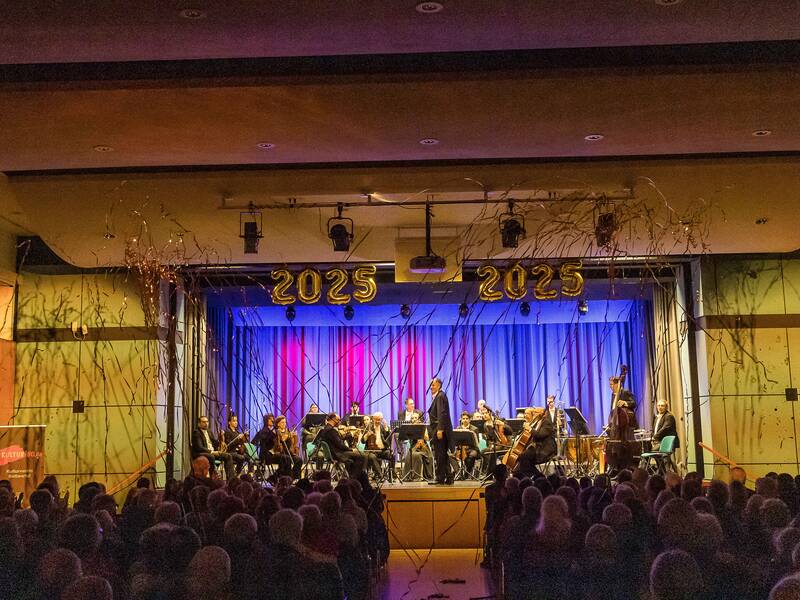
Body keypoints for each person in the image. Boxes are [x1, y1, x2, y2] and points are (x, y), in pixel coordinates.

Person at [514, 407, 556, 478]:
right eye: (534, 412)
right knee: (522, 456)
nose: (535, 414)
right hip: (537, 447)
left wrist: (530, 428)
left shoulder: (547, 422)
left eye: (537, 412)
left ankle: (537, 476)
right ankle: (528, 476)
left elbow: (540, 435)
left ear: (544, 414)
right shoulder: (537, 422)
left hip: (545, 449)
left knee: (524, 457)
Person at [190, 415, 235, 480]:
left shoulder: (209, 431)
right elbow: (199, 447)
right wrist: (212, 452)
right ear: (199, 423)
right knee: (211, 456)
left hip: (212, 452)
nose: (206, 424)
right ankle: (213, 476)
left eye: (207, 422)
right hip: (200, 453)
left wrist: (221, 439)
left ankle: (231, 479)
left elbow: (215, 443)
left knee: (228, 456)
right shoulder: (196, 433)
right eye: (204, 422)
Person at [427, 377, 454, 485]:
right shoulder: (439, 396)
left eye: (433, 385)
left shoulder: (440, 396)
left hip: (440, 430)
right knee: (442, 455)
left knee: (440, 455)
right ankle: (449, 477)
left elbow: (442, 413)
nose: (431, 387)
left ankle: (440, 478)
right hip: (439, 429)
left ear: (438, 385)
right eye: (430, 385)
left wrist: (440, 429)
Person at [252, 414, 291, 480]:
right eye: (270, 419)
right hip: (267, 455)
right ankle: (278, 477)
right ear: (266, 421)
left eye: (273, 418)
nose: (273, 420)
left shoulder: (274, 430)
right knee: (286, 459)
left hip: (274, 453)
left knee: (286, 458)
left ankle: (281, 477)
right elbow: (254, 442)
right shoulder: (263, 431)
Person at [363, 412, 395, 482]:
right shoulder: (369, 427)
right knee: (372, 457)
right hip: (372, 451)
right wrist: (366, 436)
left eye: (379, 420)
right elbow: (362, 441)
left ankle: (391, 476)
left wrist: (387, 430)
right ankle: (380, 476)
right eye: (376, 419)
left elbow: (388, 441)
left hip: (382, 450)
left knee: (391, 455)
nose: (378, 421)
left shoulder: (383, 427)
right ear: (373, 419)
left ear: (382, 419)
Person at [402, 412, 433, 481]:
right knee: (416, 455)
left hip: (424, 447)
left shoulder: (423, 426)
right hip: (414, 446)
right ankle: (415, 476)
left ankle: (427, 476)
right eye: (412, 418)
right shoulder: (409, 427)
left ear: (419, 419)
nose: (414, 419)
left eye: (416, 418)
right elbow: (407, 438)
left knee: (430, 457)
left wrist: (422, 429)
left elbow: (427, 438)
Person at [607, 374, 638, 440]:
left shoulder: (625, 392)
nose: (610, 386)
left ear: (617, 384)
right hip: (617, 426)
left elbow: (634, 403)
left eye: (611, 384)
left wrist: (625, 402)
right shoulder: (613, 395)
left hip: (627, 426)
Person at [454, 411, 480, 476]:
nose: (465, 420)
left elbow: (476, 442)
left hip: (471, 448)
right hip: (460, 449)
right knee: (450, 455)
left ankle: (467, 473)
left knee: (472, 455)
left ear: (470, 420)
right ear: (461, 420)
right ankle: (458, 472)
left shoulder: (474, 429)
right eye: (463, 418)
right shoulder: (458, 428)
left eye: (466, 418)